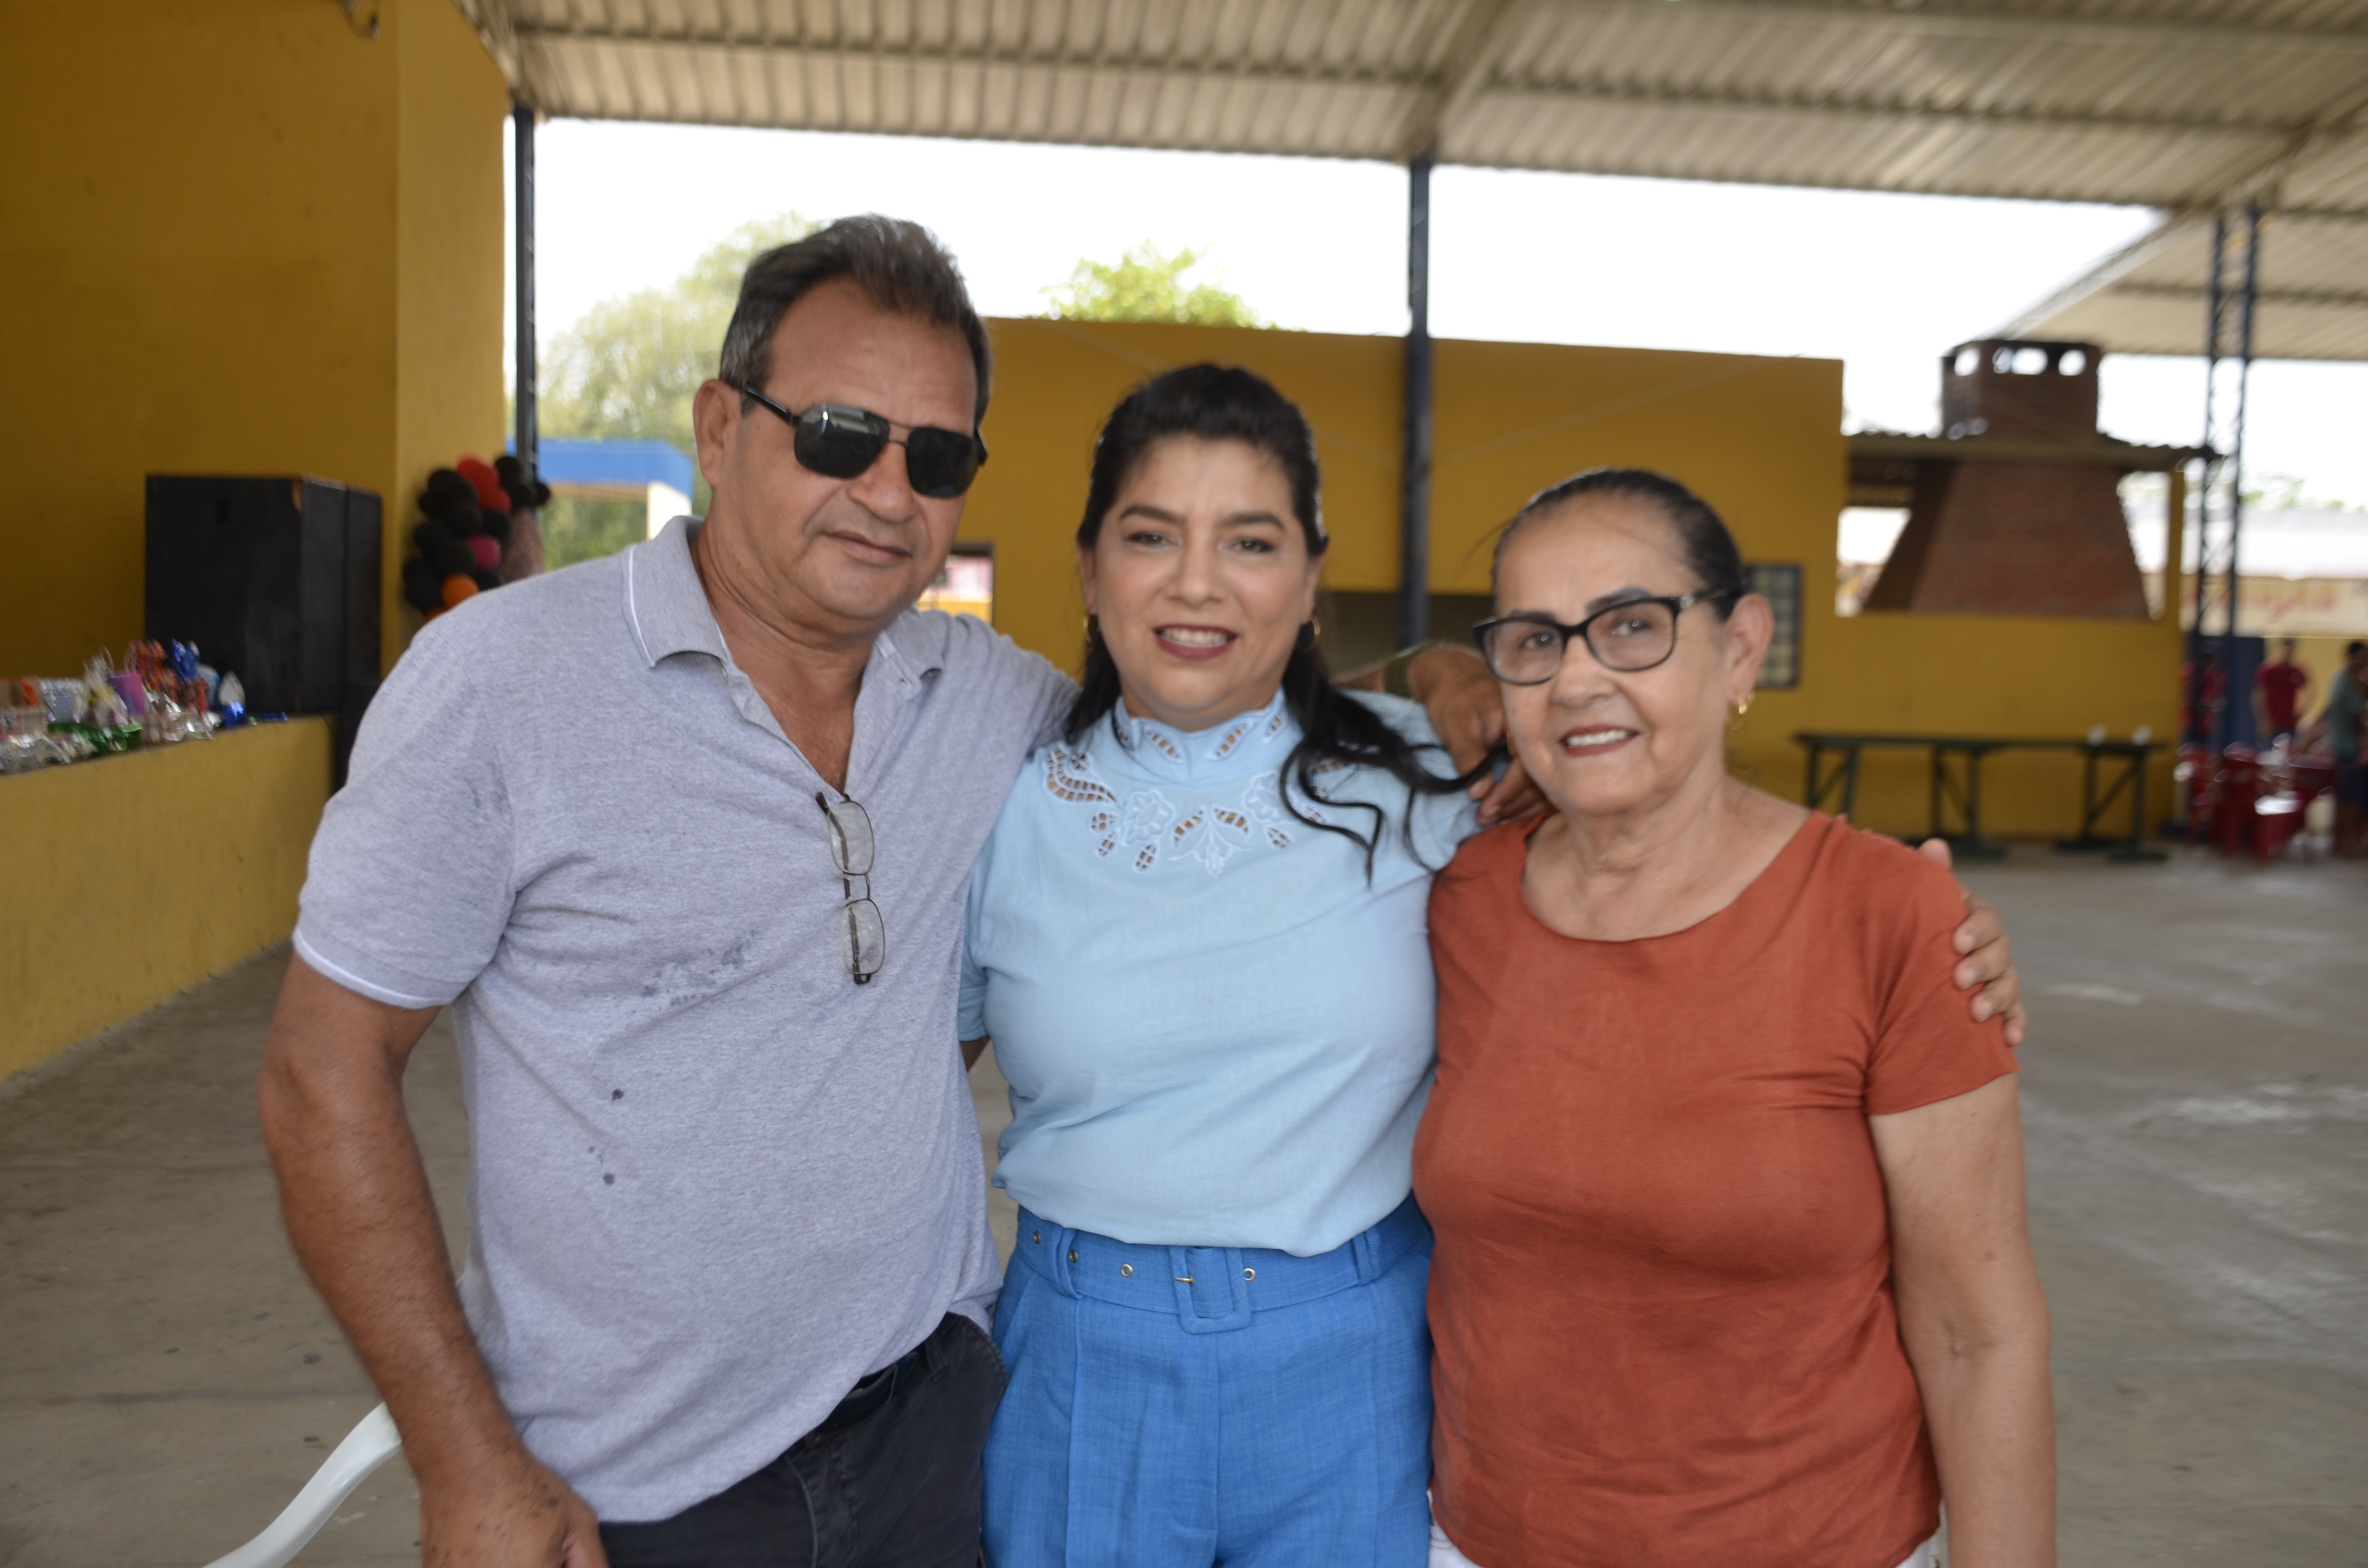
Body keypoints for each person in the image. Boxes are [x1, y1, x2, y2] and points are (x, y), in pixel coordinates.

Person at [256, 219, 1517, 1568]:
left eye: (938, 456)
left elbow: (1221, 711)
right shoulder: (502, 687)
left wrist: (1444, 676)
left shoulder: (991, 706)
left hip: (939, 1428)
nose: (885, 489)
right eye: (840, 433)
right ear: (720, 429)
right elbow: (318, 1077)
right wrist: (465, 1464)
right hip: (630, 1485)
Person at [958, 381, 2026, 1568]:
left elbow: (1660, 816)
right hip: (1081, 1354)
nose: (1196, 582)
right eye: (1150, 535)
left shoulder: (1430, 782)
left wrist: (1924, 928)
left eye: (1251, 542)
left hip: (1354, 1361)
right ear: (1090, 562)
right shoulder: (990, 807)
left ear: (1310, 579)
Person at [1418, 469, 2054, 1568]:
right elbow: (1247, 680)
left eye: (1632, 627)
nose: (1577, 679)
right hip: (1484, 1545)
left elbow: (1977, 1332)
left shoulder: (1890, 917)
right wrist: (1430, 668)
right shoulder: (1455, 898)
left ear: (1742, 648)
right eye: (1533, 641)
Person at [2318, 639, 2368, 856]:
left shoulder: (2341, 678)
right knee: (2350, 799)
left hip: (2349, 749)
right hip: (2348, 750)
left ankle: (2349, 840)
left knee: (2353, 797)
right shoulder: (2346, 682)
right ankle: (2341, 843)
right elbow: (2360, 713)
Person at [2254, 637, 2310, 744]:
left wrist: (2301, 711)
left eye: (2291, 651)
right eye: (2286, 651)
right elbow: (2259, 695)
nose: (2288, 654)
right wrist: (2265, 719)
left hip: (2290, 722)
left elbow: (2309, 692)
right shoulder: (2269, 670)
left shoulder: (2296, 671)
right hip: (2272, 723)